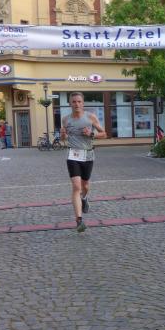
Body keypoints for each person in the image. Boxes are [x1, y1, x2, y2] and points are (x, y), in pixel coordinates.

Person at [60, 92, 106, 233]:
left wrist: (91, 134)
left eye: (79, 101)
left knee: (85, 185)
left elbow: (104, 134)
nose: (77, 104)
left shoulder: (90, 117)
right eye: (74, 101)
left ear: (83, 103)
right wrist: (62, 135)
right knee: (76, 186)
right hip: (73, 155)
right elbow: (63, 139)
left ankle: (84, 198)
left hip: (88, 155)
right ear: (70, 103)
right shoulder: (65, 120)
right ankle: (79, 220)